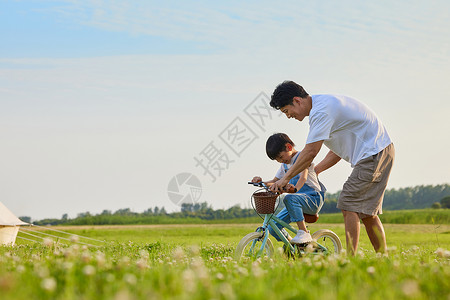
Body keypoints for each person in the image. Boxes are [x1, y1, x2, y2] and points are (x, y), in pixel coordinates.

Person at [268, 80, 395, 255]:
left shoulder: (321, 111)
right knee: (367, 214)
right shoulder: (321, 108)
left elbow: (310, 151)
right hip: (377, 151)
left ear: (297, 100)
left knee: (348, 204)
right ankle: (383, 257)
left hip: (374, 153)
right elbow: (336, 152)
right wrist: (316, 171)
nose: (288, 116)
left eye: (286, 111)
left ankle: (349, 260)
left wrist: (286, 178)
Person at [251, 133, 326, 244]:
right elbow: (275, 181)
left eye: (280, 157)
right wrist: (261, 182)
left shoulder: (302, 157)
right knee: (273, 228)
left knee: (289, 198)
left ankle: (303, 232)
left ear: (289, 147)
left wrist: (295, 189)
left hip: (312, 198)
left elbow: (303, 178)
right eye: (277, 160)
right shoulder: (285, 165)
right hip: (296, 200)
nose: (280, 161)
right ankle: (295, 245)